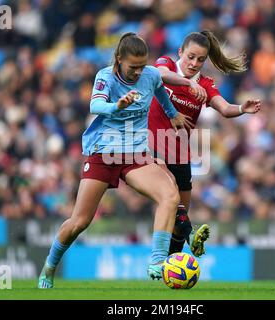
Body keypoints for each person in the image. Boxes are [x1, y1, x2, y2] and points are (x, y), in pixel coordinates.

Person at [38, 32, 194, 288]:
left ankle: (157, 261)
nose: (138, 72)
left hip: (135, 154)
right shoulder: (105, 76)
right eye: (133, 67)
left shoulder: (150, 75)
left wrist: (172, 113)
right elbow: (95, 106)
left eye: (142, 66)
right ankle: (49, 265)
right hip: (103, 152)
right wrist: (116, 106)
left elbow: (159, 90)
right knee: (80, 222)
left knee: (170, 196)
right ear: (119, 59)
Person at [148, 30, 261, 257]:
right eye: (190, 56)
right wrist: (188, 84)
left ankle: (174, 265)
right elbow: (159, 76)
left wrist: (241, 108)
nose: (194, 63)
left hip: (179, 154)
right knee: (170, 196)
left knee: (179, 222)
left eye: (200, 59)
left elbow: (225, 108)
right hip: (151, 146)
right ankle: (192, 237)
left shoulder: (206, 85)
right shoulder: (167, 64)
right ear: (181, 52)